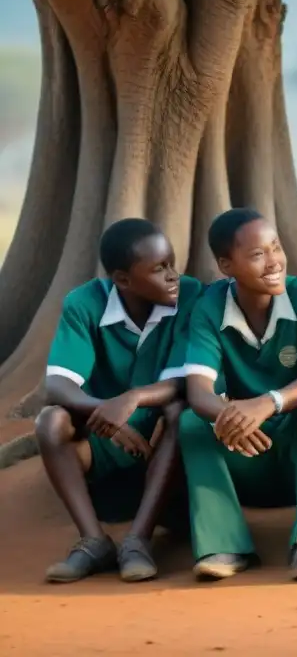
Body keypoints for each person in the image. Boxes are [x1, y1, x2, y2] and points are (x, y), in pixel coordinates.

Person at [179, 208, 297, 582]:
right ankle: (225, 545)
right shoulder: (208, 307)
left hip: (294, 451)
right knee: (191, 421)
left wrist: (265, 404)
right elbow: (198, 392)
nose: (274, 262)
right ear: (226, 265)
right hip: (242, 450)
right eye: (257, 255)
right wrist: (232, 416)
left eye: (276, 247)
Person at [35, 218, 202, 583]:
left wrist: (133, 399)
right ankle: (93, 541)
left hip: (162, 442)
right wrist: (102, 411)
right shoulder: (84, 302)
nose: (173, 276)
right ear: (123, 279)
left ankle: (138, 541)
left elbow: (187, 378)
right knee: (50, 421)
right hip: (102, 436)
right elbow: (58, 384)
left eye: (173, 263)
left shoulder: (190, 295)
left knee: (180, 410)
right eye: (160, 269)